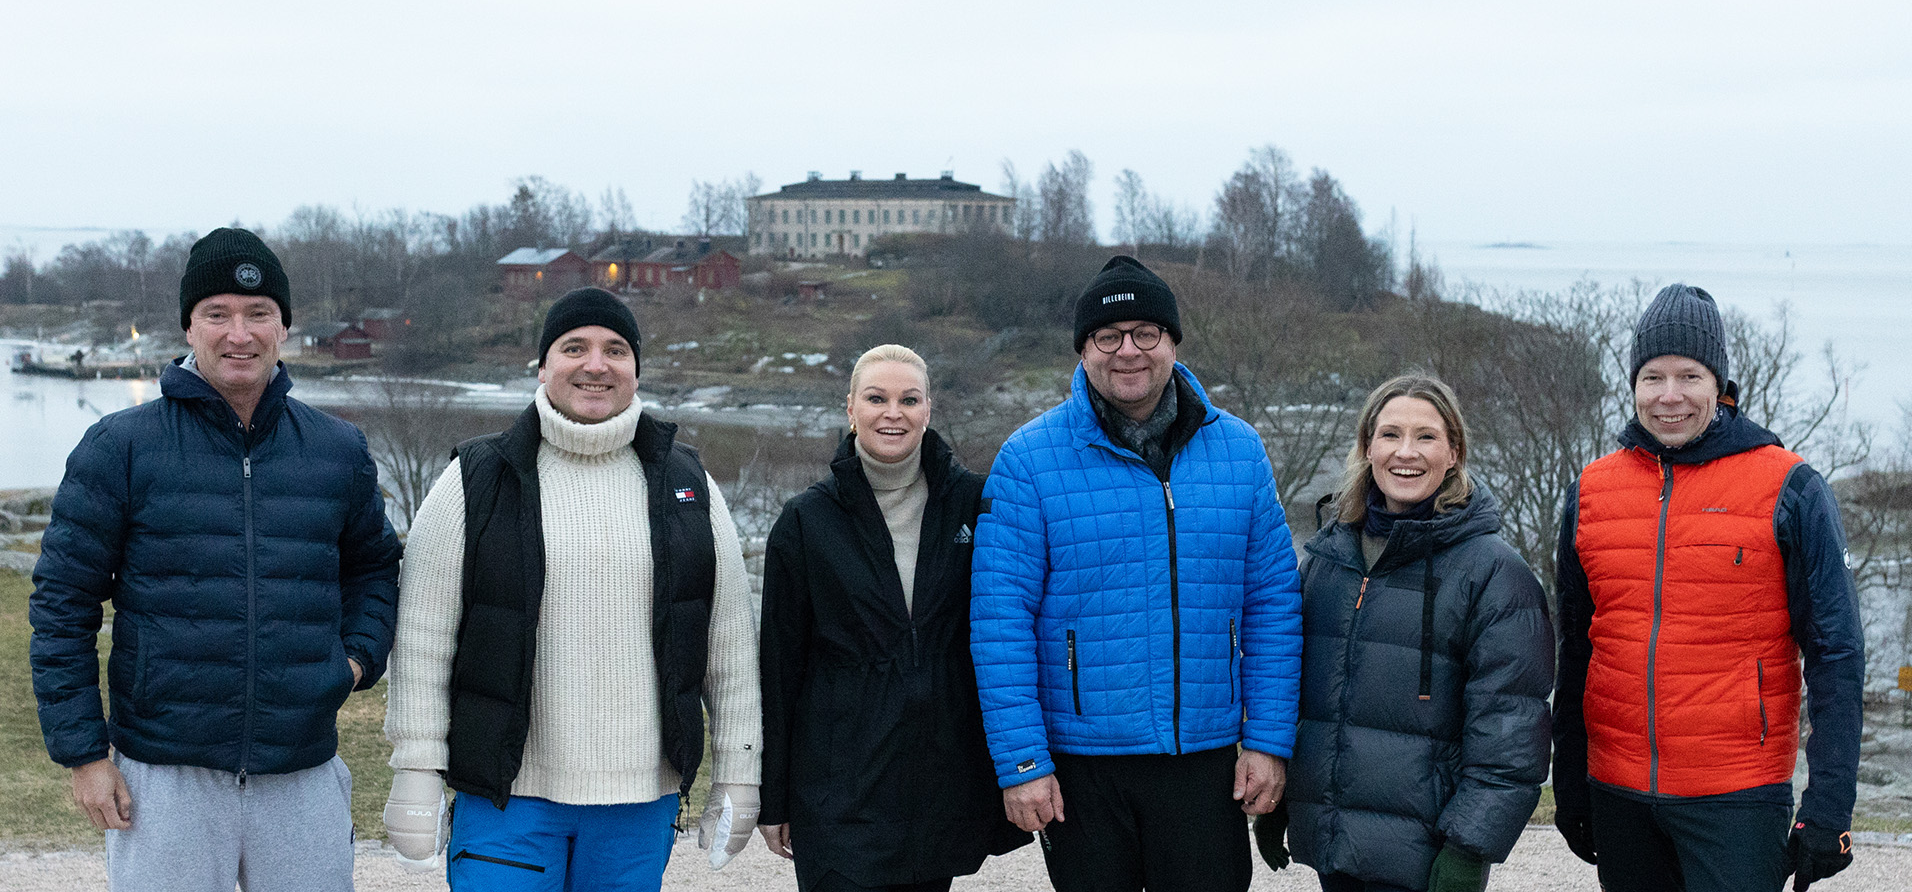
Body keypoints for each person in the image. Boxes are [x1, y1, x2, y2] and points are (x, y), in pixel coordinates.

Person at [30, 227, 403, 891]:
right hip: (165, 776)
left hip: (302, 769)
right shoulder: (120, 446)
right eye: (218, 314)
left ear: (283, 326)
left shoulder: (337, 449)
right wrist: (84, 753)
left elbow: (374, 567)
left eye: (259, 314)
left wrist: (353, 661)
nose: (240, 333)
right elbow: (63, 602)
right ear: (189, 327)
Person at [382, 286, 761, 889]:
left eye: (616, 350)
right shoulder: (474, 480)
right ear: (543, 364)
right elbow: (423, 639)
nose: (595, 364)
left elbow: (731, 647)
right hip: (507, 800)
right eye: (574, 347)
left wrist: (740, 771)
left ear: (636, 368)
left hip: (640, 804)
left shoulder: (687, 485)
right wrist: (417, 767)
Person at [970, 255, 1303, 892]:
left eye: (1146, 333)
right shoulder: (1028, 460)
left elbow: (1272, 606)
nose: (1129, 351)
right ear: (1084, 350)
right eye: (1108, 336)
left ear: (1173, 341)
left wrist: (1267, 740)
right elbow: (999, 622)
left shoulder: (1239, 450)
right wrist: (1021, 763)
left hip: (1206, 761)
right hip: (1081, 769)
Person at [1552, 284, 1865, 892]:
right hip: (1618, 795)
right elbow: (1578, 649)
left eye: (1689, 376)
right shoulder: (1591, 492)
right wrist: (1571, 782)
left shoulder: (1790, 487)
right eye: (1653, 377)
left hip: (1738, 800)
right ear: (1634, 385)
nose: (1670, 397)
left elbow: (1837, 655)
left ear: (1719, 385)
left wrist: (1830, 808)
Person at [758, 344, 1030, 892]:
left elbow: (1010, 632)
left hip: (938, 781)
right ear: (850, 408)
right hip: (838, 786)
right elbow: (780, 667)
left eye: (909, 399)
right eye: (876, 398)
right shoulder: (806, 521)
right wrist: (775, 796)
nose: (893, 413)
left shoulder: (978, 503)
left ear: (929, 409)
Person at [1270, 374, 1551, 892]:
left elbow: (1510, 731)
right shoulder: (1327, 561)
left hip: (1428, 857)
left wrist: (1471, 846)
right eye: (1390, 434)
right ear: (1367, 448)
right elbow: (1296, 691)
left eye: (1426, 436)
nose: (1407, 452)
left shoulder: (1494, 573)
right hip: (1336, 848)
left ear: (1453, 452)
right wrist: (1279, 800)